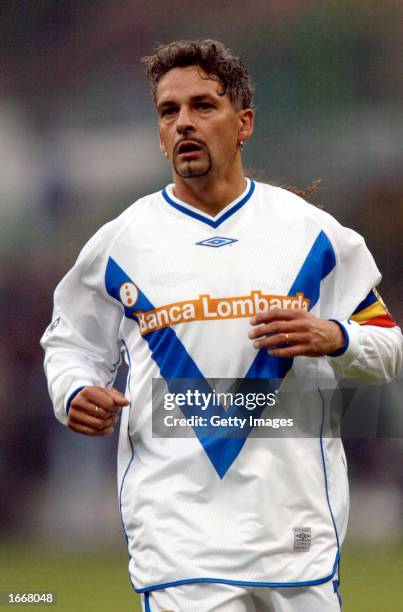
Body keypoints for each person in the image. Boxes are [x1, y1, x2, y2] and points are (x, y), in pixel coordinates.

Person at [41, 39, 402, 612]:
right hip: (181, 542)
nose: (184, 122)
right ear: (160, 133)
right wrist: (74, 391)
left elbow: (389, 347)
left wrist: (335, 338)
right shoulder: (121, 242)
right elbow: (69, 343)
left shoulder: (315, 238)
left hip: (296, 537)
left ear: (244, 123)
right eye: (169, 111)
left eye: (203, 106)